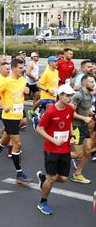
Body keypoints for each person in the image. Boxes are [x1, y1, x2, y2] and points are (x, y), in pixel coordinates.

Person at [0, 58, 32, 184]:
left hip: (18, 115)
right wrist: (3, 106)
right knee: (17, 144)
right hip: (8, 117)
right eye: (20, 68)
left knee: (4, 140)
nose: (22, 69)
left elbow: (23, 97)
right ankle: (19, 173)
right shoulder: (6, 81)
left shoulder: (23, 80)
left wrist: (27, 93)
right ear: (13, 68)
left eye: (23, 67)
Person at [36, 84, 75, 215]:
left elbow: (69, 123)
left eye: (71, 96)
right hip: (51, 149)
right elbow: (39, 129)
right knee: (52, 178)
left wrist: (72, 135)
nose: (70, 98)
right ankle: (43, 202)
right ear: (60, 95)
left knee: (63, 178)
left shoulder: (70, 109)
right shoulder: (51, 111)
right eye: (68, 95)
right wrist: (53, 140)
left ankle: (43, 178)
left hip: (65, 148)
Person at [70, 75, 95, 184]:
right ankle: (57, 155)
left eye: (94, 81)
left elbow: (87, 109)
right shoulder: (78, 95)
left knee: (88, 151)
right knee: (78, 154)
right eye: (91, 82)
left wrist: (91, 113)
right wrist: (83, 118)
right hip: (76, 127)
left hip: (84, 127)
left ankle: (77, 174)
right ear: (84, 82)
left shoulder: (90, 95)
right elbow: (70, 112)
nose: (93, 83)